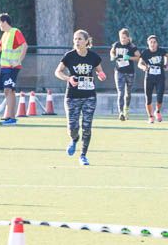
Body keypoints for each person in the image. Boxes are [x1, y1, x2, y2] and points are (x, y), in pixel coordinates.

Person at [54, 29, 106, 166]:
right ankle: (74, 139)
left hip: (89, 96)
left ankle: (83, 155)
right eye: (75, 39)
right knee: (72, 127)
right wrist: (68, 78)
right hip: (72, 96)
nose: (77, 41)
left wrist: (101, 75)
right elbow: (57, 72)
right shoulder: (69, 56)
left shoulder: (93, 57)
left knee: (87, 126)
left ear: (87, 41)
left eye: (80, 39)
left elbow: (99, 71)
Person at [108, 28, 141, 121]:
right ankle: (121, 112)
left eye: (124, 38)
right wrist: (112, 56)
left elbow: (139, 57)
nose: (122, 40)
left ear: (128, 38)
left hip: (130, 72)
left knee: (128, 93)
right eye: (121, 38)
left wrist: (129, 57)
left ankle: (126, 109)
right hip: (119, 72)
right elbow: (112, 51)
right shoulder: (116, 45)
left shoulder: (131, 46)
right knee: (120, 92)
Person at [140, 35, 168, 123]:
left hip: (160, 77)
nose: (152, 44)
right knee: (148, 98)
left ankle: (157, 111)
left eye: (154, 42)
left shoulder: (161, 51)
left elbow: (166, 55)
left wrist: (166, 64)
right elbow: (139, 64)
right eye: (151, 42)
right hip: (149, 77)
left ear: (157, 43)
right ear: (148, 43)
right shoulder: (145, 52)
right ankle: (150, 116)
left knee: (160, 96)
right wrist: (143, 67)